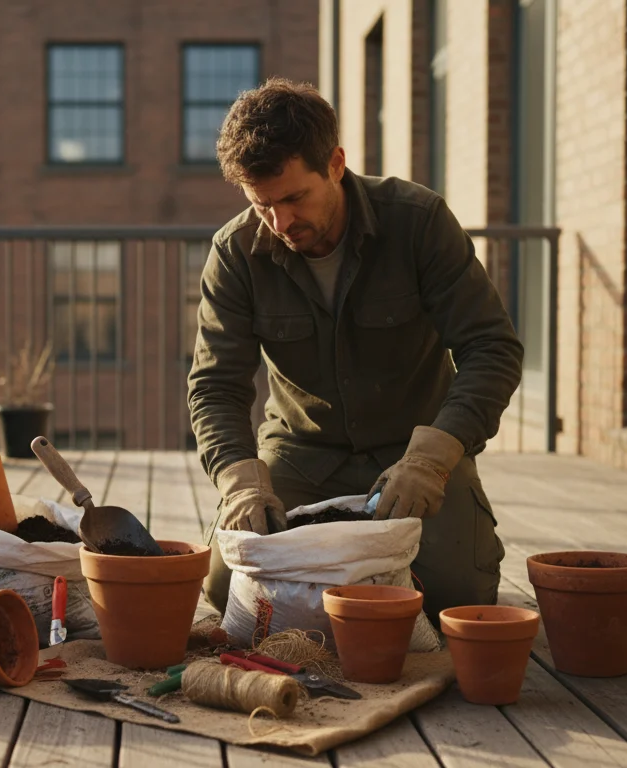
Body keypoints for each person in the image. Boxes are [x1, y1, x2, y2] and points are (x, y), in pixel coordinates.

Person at [188, 78, 523, 623]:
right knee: (230, 588)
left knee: (456, 598)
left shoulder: (419, 223)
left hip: (412, 453)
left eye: (295, 198)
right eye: (263, 204)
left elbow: (492, 348)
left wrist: (434, 459)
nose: (281, 223)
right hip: (302, 452)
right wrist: (239, 481)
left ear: (336, 164)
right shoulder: (235, 252)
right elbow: (215, 386)